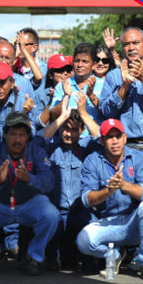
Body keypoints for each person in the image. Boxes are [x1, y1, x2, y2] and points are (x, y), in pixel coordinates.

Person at [98, 27, 143, 235]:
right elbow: (106, 110)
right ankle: (133, 248)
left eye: (135, 43)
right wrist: (124, 86)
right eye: (126, 44)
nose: (131, 48)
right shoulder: (114, 76)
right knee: (129, 199)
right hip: (128, 146)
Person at [0, 111, 59, 276]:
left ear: (27, 136)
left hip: (29, 204)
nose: (17, 140)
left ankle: (34, 257)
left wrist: (29, 178)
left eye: (22, 135)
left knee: (51, 214)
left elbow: (49, 182)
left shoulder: (37, 152)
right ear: (5, 134)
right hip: (0, 204)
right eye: (13, 134)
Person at [77, 118, 143, 281]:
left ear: (125, 138)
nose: (114, 141)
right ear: (101, 141)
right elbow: (86, 199)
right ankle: (114, 255)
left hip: (133, 222)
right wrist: (109, 190)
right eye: (109, 137)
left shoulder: (140, 157)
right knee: (83, 241)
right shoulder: (92, 160)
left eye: (118, 136)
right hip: (109, 223)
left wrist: (123, 185)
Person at [41, 92, 100, 270]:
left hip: (79, 212)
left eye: (74, 129)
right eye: (65, 129)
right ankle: (54, 257)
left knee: (91, 224)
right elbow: (40, 137)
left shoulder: (88, 148)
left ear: (81, 131)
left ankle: (87, 257)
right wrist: (62, 117)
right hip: (56, 212)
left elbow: (100, 136)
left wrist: (83, 114)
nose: (68, 134)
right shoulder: (51, 148)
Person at [48, 44, 103, 132]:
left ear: (94, 65)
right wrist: (66, 96)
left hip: (94, 141)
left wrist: (91, 96)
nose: (80, 65)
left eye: (85, 61)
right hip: (67, 140)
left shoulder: (103, 85)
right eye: (77, 61)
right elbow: (53, 116)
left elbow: (108, 114)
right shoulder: (63, 85)